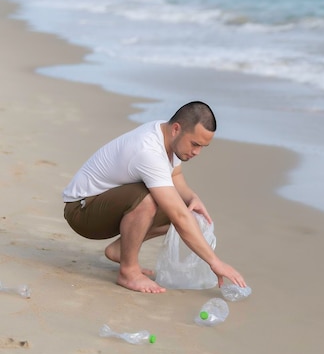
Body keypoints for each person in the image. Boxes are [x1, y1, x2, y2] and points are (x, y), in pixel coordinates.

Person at [62, 101, 246, 294]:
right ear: (177, 129)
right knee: (152, 201)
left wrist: (192, 197)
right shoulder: (148, 151)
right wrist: (215, 262)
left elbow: (175, 176)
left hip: (108, 204)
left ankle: (120, 251)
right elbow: (178, 216)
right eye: (195, 144)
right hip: (82, 211)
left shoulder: (167, 135)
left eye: (202, 147)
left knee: (189, 212)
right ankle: (128, 272)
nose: (197, 152)